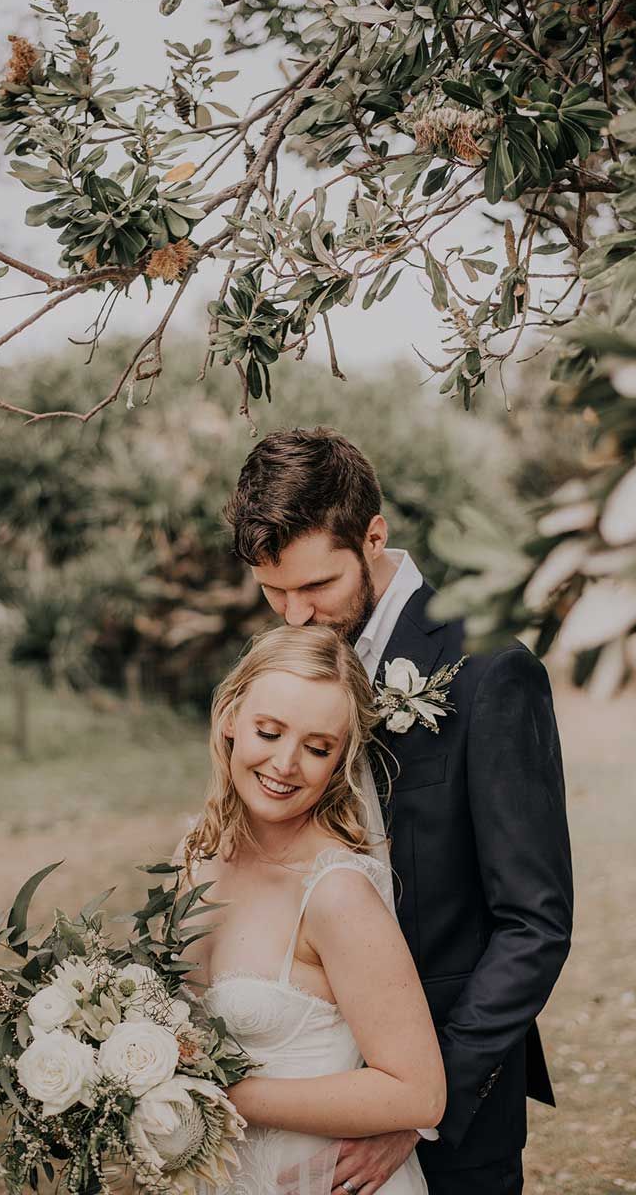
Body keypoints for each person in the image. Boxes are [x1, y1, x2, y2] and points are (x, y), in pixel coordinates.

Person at [223, 428, 574, 1195]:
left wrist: (418, 1106)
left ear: (373, 536)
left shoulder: (489, 669)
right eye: (273, 591)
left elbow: (534, 923)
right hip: (306, 1087)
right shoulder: (293, 663)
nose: (294, 615)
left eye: (315, 587)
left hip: (452, 1104)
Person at [181, 624, 444, 1195]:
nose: (285, 763)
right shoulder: (194, 854)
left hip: (311, 1179)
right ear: (230, 717)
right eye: (269, 732)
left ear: (340, 761)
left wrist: (216, 1091)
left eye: (317, 747)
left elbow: (417, 1091)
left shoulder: (337, 892)